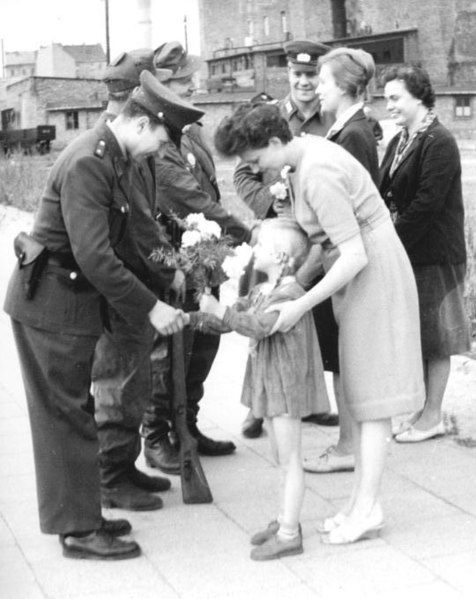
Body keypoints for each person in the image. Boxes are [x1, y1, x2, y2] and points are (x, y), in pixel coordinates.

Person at [3, 70, 203, 560]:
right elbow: (96, 256)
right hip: (52, 303)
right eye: (158, 140)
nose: (157, 151)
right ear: (140, 124)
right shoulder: (90, 162)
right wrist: (152, 306)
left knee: (77, 412)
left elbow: (122, 237)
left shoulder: (110, 154)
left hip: (69, 300)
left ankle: (86, 512)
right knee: (64, 417)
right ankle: (77, 530)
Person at [214, 103, 425, 544]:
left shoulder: (317, 171)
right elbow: (319, 242)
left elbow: (353, 254)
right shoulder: (302, 158)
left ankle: (367, 508)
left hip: (372, 272)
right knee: (360, 393)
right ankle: (359, 504)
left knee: (372, 398)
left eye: (254, 160)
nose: (255, 170)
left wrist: (297, 303)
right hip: (360, 273)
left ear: (274, 142)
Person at [140, 41, 254, 475]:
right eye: (184, 80)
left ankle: (186, 427)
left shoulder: (187, 128)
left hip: (204, 255)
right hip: (172, 257)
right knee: (170, 350)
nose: (193, 85)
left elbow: (207, 188)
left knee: (203, 343)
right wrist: (243, 230)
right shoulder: (161, 136)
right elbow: (185, 196)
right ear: (163, 84)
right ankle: (157, 435)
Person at [193, 218, 330, 560]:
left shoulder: (289, 295)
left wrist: (219, 309)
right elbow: (236, 315)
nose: (254, 250)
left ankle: (289, 534)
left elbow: (258, 326)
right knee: (280, 458)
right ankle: (285, 518)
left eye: (262, 246)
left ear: (282, 257)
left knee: (290, 459)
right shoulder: (261, 290)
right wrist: (203, 314)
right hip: (271, 383)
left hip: (285, 386)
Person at [90, 50, 184, 511]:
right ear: (135, 98)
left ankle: (123, 468)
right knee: (117, 383)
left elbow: (146, 223)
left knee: (133, 382)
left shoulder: (128, 147)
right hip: (119, 291)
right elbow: (140, 228)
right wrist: (169, 272)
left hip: (135, 285)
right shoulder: (108, 151)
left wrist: (171, 268)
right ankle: (111, 478)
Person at [233, 39, 339, 440]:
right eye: (297, 75)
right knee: (264, 315)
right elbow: (243, 174)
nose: (305, 82)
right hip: (279, 235)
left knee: (313, 320)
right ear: (288, 76)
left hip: (317, 235)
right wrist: (268, 205)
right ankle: (257, 408)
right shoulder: (273, 117)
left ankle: (308, 403)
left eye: (312, 75)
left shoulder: (332, 117)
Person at [380, 65, 470, 443]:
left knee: (436, 338)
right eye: (386, 99)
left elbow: (426, 204)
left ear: (419, 96)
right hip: (412, 251)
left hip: (435, 254)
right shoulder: (404, 138)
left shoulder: (439, 141)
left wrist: (388, 241)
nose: (389, 106)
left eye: (395, 98)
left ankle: (432, 417)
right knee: (419, 334)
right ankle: (421, 411)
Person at [302, 47, 379, 474]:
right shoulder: (346, 129)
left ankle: (348, 445)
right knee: (340, 354)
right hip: (340, 255)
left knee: (345, 355)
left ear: (347, 87)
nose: (318, 89)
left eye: (325, 82)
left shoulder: (352, 134)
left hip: (344, 259)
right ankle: (347, 441)